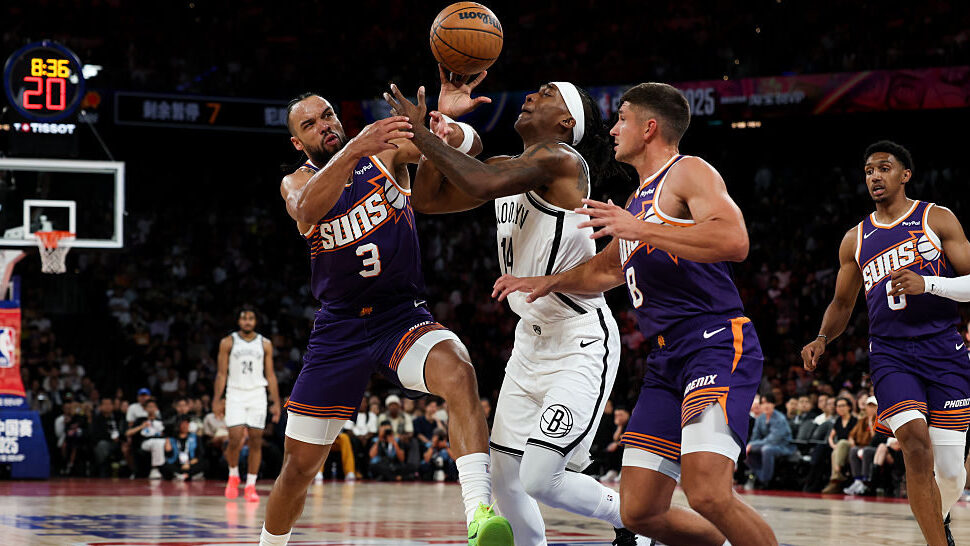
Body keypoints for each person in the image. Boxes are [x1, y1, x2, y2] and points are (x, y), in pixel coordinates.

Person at [489, 82, 776, 545]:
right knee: (639, 510)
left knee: (707, 492)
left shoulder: (687, 172)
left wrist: (639, 228)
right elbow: (605, 270)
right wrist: (546, 282)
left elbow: (733, 240)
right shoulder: (636, 201)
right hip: (664, 361)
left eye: (622, 119)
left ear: (649, 128)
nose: (613, 129)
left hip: (714, 344)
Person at [385, 70, 634, 545]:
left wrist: (422, 134)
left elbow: (479, 182)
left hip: (578, 339)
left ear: (566, 122)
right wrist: (442, 128)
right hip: (529, 345)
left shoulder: (561, 160)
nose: (532, 94)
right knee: (503, 478)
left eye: (547, 94)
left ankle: (634, 519)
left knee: (541, 477)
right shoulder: (512, 166)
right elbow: (428, 200)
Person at [260, 92, 511, 546]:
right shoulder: (297, 181)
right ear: (297, 142)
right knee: (297, 469)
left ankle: (479, 512)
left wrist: (449, 128)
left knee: (459, 371)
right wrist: (353, 148)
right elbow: (306, 210)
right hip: (339, 329)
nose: (324, 125)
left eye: (327, 115)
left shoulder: (385, 152)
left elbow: (470, 149)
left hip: (400, 316)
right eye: (310, 125)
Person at [801, 140, 970, 545]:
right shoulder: (855, 238)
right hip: (892, 355)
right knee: (914, 442)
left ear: (905, 174)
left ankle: (939, 515)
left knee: (951, 473)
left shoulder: (936, 218)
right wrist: (823, 337)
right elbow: (842, 303)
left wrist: (928, 283)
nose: (875, 176)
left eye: (884, 168)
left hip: (945, 350)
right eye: (869, 171)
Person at [214, 306, 281, 502]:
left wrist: (276, 402)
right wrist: (217, 399)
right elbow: (221, 374)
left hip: (257, 394)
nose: (247, 321)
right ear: (238, 321)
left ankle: (251, 485)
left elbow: (270, 374)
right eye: (244, 318)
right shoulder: (228, 342)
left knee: (255, 440)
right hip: (235, 393)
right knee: (235, 438)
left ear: (255, 321)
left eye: (251, 318)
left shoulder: (265, 343)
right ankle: (233, 474)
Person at [745, 393, 795, 488]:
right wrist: (750, 445)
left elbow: (774, 440)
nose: (766, 405)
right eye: (763, 403)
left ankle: (765, 482)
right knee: (746, 451)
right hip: (764, 445)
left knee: (767, 449)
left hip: (783, 446)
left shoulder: (780, 418)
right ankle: (761, 477)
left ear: (774, 404)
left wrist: (752, 445)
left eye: (768, 402)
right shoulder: (760, 418)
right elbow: (755, 437)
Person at [844, 396, 883, 495]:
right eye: (869, 406)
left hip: (875, 448)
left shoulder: (881, 421)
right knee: (853, 450)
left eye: (873, 406)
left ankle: (865, 482)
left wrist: (871, 423)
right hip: (862, 446)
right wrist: (852, 441)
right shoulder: (862, 421)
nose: (870, 409)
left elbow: (875, 440)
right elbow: (851, 434)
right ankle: (857, 481)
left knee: (866, 451)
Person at [127, 399, 167, 479]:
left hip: (162, 441)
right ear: (145, 409)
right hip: (146, 442)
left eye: (153, 406)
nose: (151, 409)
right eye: (149, 407)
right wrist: (141, 426)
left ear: (156, 408)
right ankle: (155, 468)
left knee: (161, 442)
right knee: (156, 443)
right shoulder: (141, 420)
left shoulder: (162, 421)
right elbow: (128, 433)